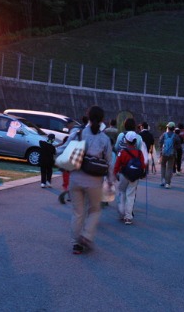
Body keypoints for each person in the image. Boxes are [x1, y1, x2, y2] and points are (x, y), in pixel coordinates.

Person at [60, 105, 115, 254]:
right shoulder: (105, 139)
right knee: (95, 210)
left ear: (88, 116)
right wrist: (110, 181)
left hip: (76, 178)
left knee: (78, 212)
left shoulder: (78, 133)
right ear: (103, 119)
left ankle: (76, 244)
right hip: (94, 182)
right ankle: (86, 235)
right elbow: (109, 163)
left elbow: (63, 150)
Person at [113, 131, 146, 225]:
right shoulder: (139, 153)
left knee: (122, 193)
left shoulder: (122, 152)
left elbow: (117, 164)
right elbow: (143, 165)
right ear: (135, 141)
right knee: (130, 196)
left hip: (124, 175)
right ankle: (128, 217)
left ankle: (121, 213)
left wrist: (115, 173)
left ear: (126, 141)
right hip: (134, 176)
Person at [159, 122, 180, 189]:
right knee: (170, 168)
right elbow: (179, 146)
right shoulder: (176, 136)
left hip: (164, 153)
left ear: (167, 127)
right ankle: (167, 183)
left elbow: (160, 142)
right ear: (174, 128)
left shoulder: (164, 135)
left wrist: (162, 149)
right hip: (172, 154)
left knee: (163, 166)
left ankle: (162, 181)